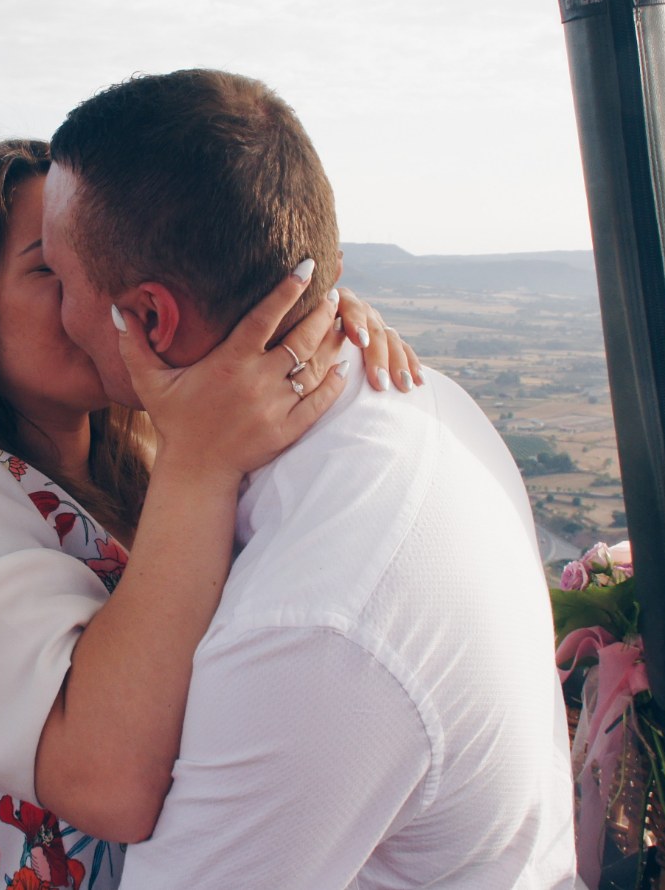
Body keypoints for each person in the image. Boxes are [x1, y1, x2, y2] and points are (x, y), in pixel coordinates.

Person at [39, 69, 578, 888]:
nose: (56, 312)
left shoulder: (314, 625)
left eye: (58, 277)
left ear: (149, 318)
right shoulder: (420, 398)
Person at [0, 137, 423, 890]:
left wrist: (316, 336)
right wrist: (202, 462)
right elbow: (105, 781)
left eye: (96, 263)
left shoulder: (135, 462)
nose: (101, 295)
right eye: (51, 271)